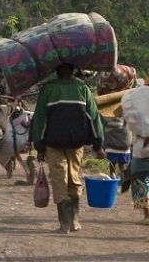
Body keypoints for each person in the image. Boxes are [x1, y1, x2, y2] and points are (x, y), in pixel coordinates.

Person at [31, 63, 105, 234]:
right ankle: (74, 221)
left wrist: (39, 146)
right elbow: (94, 118)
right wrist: (98, 145)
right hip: (76, 143)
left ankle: (65, 223)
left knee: (59, 179)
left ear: (55, 71)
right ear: (74, 70)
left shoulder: (48, 89)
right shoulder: (83, 89)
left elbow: (39, 119)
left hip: (53, 143)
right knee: (74, 178)